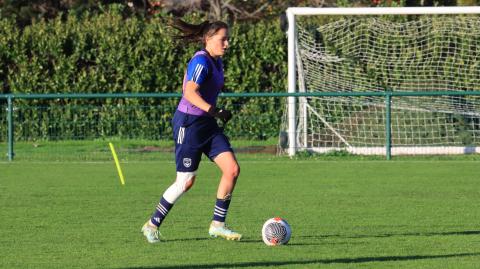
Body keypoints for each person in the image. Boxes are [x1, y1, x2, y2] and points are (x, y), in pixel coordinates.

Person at [141, 18, 242, 243]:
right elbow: (189, 92)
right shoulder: (201, 62)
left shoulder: (216, 62)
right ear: (208, 39)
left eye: (228, 39)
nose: (227, 44)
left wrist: (212, 114)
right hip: (189, 124)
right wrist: (213, 110)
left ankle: (218, 225)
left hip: (207, 124)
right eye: (222, 39)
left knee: (232, 169)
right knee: (185, 182)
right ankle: (151, 224)